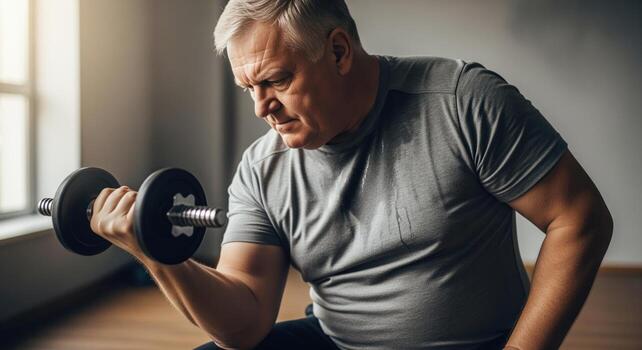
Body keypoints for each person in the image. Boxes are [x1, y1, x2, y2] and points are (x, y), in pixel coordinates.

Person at [89, 1, 613, 349]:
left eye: (275, 80)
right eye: (248, 88)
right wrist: (159, 253)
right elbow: (245, 321)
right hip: (337, 343)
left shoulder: (462, 101)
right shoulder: (263, 168)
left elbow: (579, 219)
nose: (261, 108)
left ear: (338, 51)